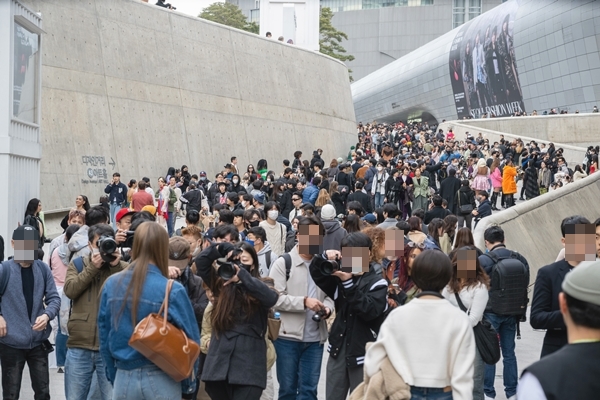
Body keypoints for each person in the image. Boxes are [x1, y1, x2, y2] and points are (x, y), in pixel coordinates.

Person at [98, 222, 200, 399]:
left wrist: (114, 374)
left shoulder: (111, 285)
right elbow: (191, 340)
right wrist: (188, 385)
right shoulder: (171, 289)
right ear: (163, 248)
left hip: (124, 375)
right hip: (162, 376)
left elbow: (104, 337)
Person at [363, 250, 475, 400]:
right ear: (448, 278)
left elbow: (374, 358)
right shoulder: (459, 319)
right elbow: (463, 373)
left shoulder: (398, 315)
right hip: (444, 390)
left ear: (415, 275)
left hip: (405, 389)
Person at [194, 239, 278, 399]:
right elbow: (201, 262)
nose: (238, 266)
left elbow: (271, 298)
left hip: (249, 367)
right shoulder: (221, 285)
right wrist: (220, 249)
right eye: (236, 262)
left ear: (253, 265)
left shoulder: (260, 286)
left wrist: (242, 278)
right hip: (219, 367)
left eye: (244, 261)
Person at [310, 232, 388, 400]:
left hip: (363, 352)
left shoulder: (377, 282)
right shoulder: (340, 277)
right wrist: (323, 256)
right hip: (338, 349)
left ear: (367, 253)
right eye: (347, 254)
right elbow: (316, 273)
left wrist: (348, 283)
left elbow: (369, 311)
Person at [269, 215, 334, 400]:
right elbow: (275, 298)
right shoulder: (284, 263)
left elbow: (331, 295)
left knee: (309, 391)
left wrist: (327, 308)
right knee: (288, 390)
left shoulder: (323, 265)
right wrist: (304, 302)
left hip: (315, 338)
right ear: (299, 236)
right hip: (287, 337)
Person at [63, 223, 128, 400]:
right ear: (90, 244)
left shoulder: (123, 267)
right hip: (79, 345)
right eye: (99, 243)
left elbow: (131, 293)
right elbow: (70, 290)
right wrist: (93, 267)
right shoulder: (77, 264)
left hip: (108, 347)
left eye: (108, 242)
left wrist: (116, 265)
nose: (103, 247)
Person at [518, 260, 600, 399]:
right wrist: (575, 314)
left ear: (563, 303)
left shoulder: (537, 379)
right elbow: (537, 318)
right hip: (556, 349)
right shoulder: (548, 272)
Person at [0, 225, 60, 399]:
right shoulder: (4, 270)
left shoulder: (42, 269)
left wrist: (47, 314)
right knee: (11, 394)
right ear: (13, 243)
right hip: (11, 343)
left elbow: (54, 298)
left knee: (43, 393)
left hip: (38, 342)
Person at [531, 215, 594, 358]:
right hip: (558, 352)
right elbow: (536, 318)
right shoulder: (548, 273)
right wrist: (570, 313)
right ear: (564, 241)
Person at [479, 225, 530, 400]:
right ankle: (512, 392)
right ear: (504, 240)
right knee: (509, 353)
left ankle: (488, 392)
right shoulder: (519, 258)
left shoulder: (483, 260)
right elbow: (525, 283)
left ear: (486, 242)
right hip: (513, 313)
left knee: (490, 353)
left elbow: (469, 284)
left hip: (490, 312)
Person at [444, 247, 490, 400]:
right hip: (449, 341)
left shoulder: (479, 287)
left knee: (474, 385)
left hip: (472, 340)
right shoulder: (449, 285)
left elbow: (474, 319)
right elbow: (441, 307)